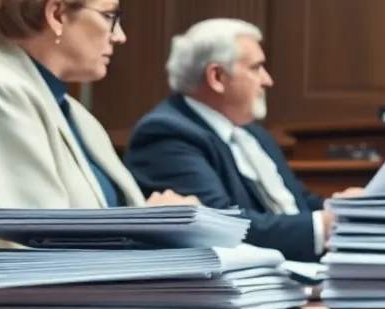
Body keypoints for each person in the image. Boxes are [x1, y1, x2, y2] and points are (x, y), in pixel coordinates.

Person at [0, 0, 194, 272]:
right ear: (57, 14)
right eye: (110, 16)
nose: (118, 36)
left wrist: (163, 223)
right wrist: (155, 229)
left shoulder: (70, 109)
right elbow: (33, 253)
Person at [124, 19, 361, 262]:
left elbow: (297, 203)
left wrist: (343, 208)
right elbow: (221, 225)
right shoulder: (166, 134)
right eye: (256, 68)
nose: (267, 80)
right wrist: (322, 225)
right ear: (216, 76)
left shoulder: (254, 134)